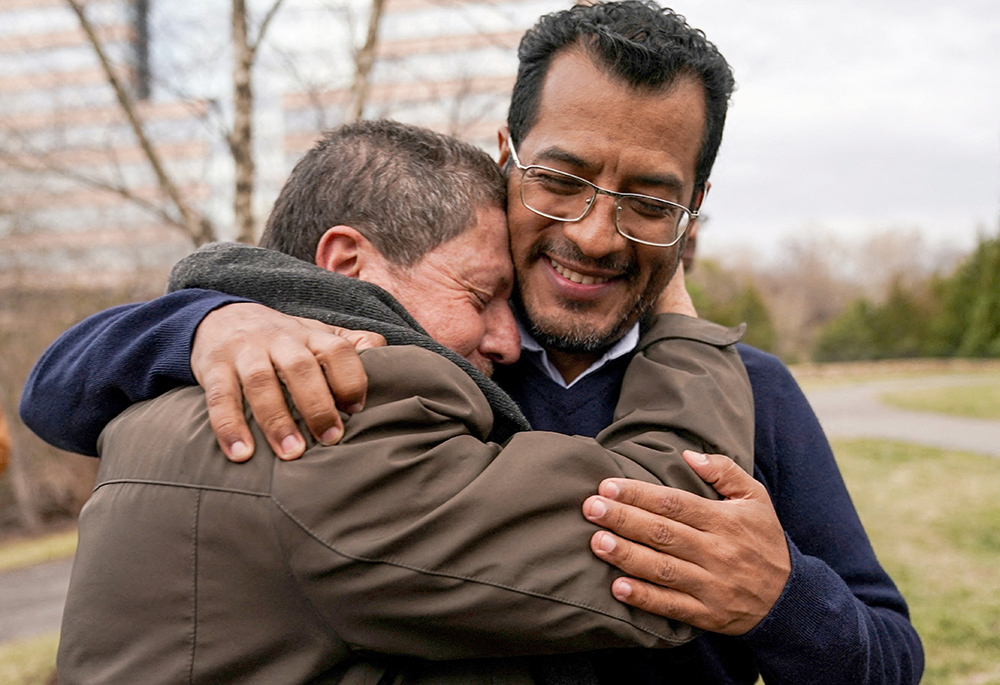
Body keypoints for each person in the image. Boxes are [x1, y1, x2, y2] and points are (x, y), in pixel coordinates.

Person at [22, 2, 923, 683]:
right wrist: (207, 319)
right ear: (509, 158)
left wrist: (783, 601)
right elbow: (59, 395)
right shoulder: (362, 366)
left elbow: (891, 654)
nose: (599, 235)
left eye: (649, 201)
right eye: (563, 179)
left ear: (693, 208)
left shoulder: (749, 390)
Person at [56, 120, 754, 684]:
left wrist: (200, 320)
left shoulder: (167, 388)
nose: (508, 340)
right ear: (349, 264)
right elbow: (676, 532)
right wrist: (674, 307)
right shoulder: (336, 420)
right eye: (482, 295)